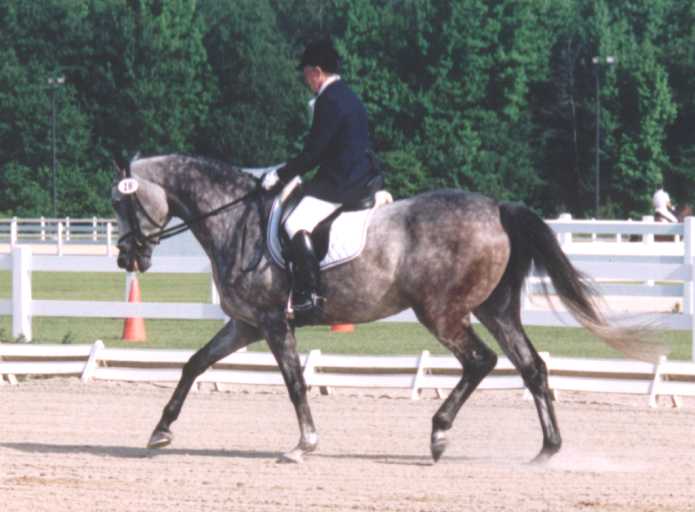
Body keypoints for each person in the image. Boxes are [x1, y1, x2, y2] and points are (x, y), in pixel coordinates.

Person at [261, 38, 382, 320]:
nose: (306, 81)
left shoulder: (329, 99)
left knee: (294, 222)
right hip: (359, 175)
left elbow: (313, 153)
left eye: (306, 75)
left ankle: (308, 296)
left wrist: (280, 174)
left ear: (316, 72)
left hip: (341, 184)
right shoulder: (348, 95)